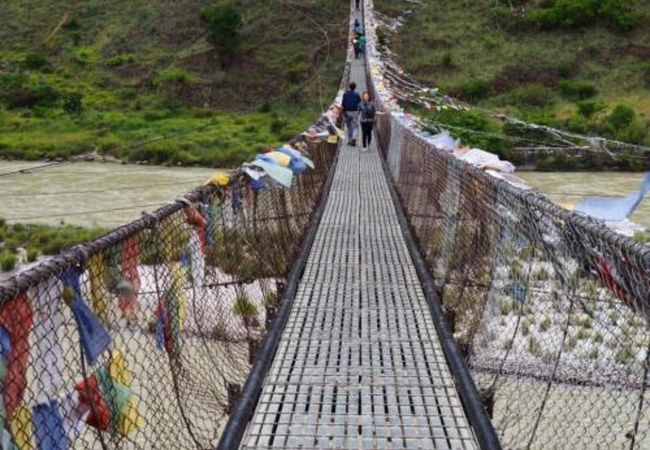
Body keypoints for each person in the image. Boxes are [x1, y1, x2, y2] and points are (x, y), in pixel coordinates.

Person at [342, 82, 361, 146]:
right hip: (355, 113)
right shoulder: (357, 94)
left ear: (349, 87)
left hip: (347, 112)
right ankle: (354, 139)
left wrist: (344, 112)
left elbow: (343, 104)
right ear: (355, 87)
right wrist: (359, 112)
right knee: (355, 127)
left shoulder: (345, 94)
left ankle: (349, 140)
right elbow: (360, 103)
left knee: (349, 127)